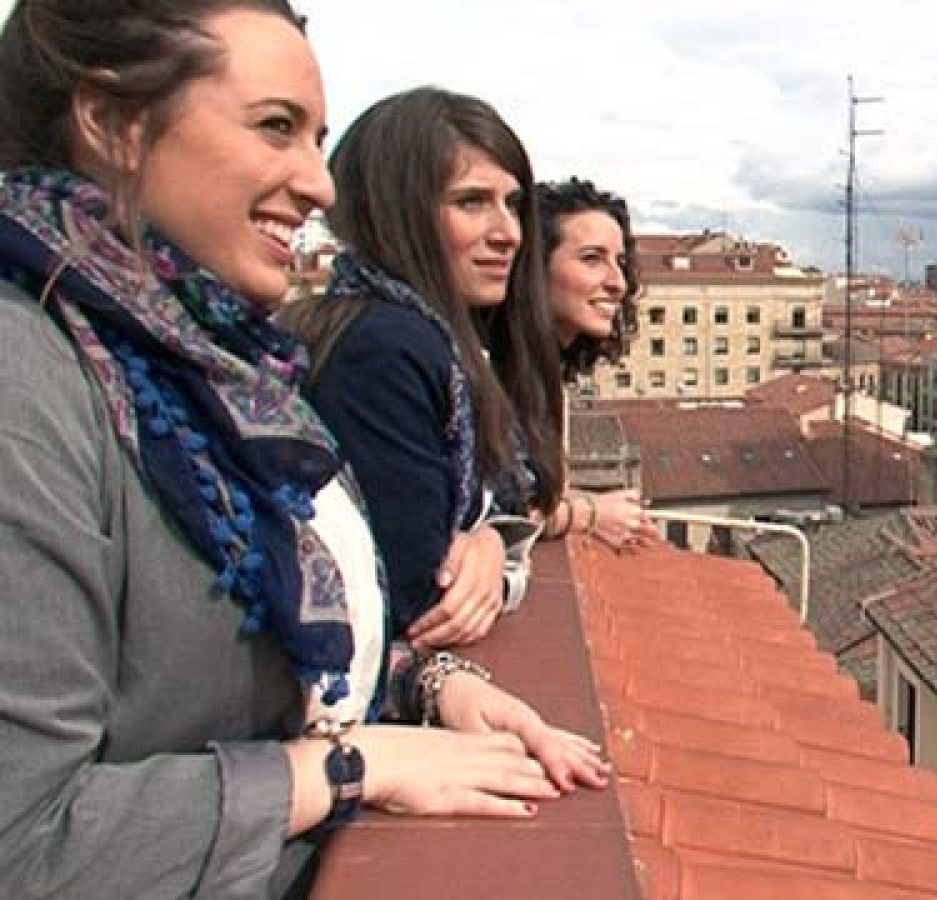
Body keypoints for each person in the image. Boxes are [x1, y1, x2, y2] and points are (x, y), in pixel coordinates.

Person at [0, 5, 605, 897]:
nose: (320, 186)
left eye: (316, 138)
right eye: (275, 127)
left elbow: (280, 658)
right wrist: (350, 769)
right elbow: (24, 840)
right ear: (114, 124)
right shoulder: (30, 383)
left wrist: (427, 684)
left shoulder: (220, 373)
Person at [280, 87, 567, 647]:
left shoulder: (422, 339)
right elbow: (425, 599)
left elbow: (511, 499)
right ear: (398, 213)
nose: (508, 232)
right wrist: (506, 564)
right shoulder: (386, 349)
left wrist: (490, 541)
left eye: (512, 203)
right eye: (471, 202)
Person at [532, 177, 654, 549]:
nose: (618, 282)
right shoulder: (492, 374)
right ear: (533, 267)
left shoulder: (543, 373)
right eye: (591, 259)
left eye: (620, 262)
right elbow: (489, 512)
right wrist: (589, 514)